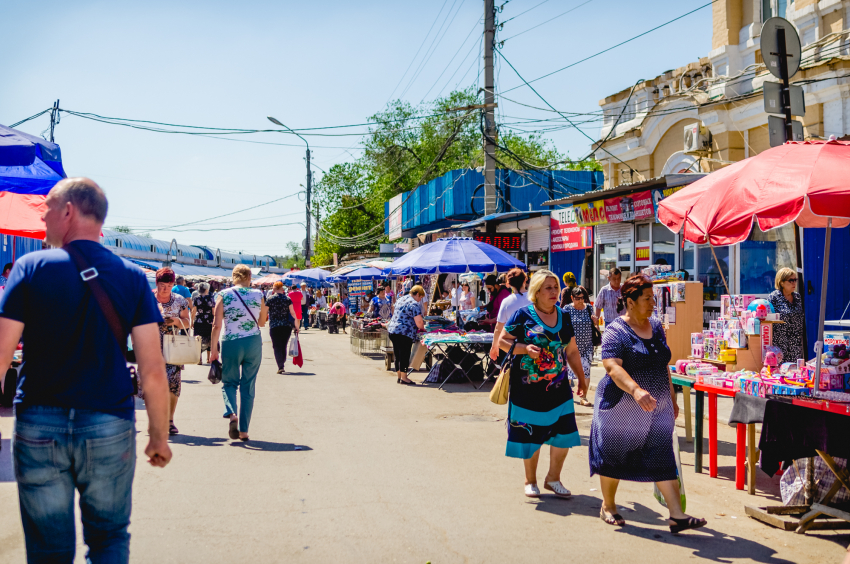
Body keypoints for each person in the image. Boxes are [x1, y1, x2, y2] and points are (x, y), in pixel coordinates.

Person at [0, 177, 171, 562]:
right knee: (109, 539)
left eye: (46, 210)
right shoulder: (131, 277)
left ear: (68, 211)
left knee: (48, 549)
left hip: (39, 423)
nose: (43, 218)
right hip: (109, 422)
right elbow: (153, 369)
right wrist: (159, 436)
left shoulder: (30, 268)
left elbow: (1, 353)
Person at [589, 274, 706, 533]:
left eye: (653, 298)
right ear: (630, 301)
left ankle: (677, 515)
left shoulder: (656, 325)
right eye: (647, 298)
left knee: (661, 455)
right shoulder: (616, 331)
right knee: (614, 456)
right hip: (620, 406)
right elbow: (611, 366)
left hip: (655, 406)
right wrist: (635, 390)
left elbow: (661, 363)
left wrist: (672, 398)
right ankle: (608, 506)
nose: (653, 303)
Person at [499, 270, 589, 498]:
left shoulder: (563, 316)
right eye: (548, 288)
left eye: (556, 288)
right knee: (530, 434)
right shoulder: (522, 315)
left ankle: (553, 478)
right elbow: (503, 341)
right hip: (527, 388)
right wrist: (524, 348)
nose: (554, 292)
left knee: (564, 434)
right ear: (536, 292)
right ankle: (530, 481)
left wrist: (581, 377)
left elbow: (572, 350)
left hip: (559, 388)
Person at [210, 264, 268, 441]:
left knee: (229, 382)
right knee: (248, 385)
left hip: (231, 342)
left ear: (233, 277)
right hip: (253, 342)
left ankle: (232, 413)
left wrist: (213, 350)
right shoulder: (259, 295)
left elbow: (216, 324)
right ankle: (243, 431)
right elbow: (262, 322)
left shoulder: (223, 295)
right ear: (249, 278)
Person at [152, 267, 190, 435]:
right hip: (151, 347)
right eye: (162, 284)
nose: (165, 288)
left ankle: (169, 420)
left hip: (173, 346)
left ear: (173, 284)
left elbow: (188, 323)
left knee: (173, 385)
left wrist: (175, 320)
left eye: (168, 285)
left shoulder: (180, 300)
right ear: (157, 283)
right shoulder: (148, 298)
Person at [563, 285, 597, 407]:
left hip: (587, 346)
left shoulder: (588, 308)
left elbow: (595, 327)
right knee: (568, 373)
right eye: (577, 298)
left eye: (582, 298)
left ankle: (583, 397)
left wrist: (596, 323)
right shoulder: (567, 309)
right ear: (572, 298)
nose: (580, 300)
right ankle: (567, 395)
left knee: (586, 371)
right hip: (571, 348)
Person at [386, 285, 426, 386]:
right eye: (420, 297)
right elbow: (419, 322)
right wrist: (423, 329)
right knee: (404, 355)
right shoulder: (414, 304)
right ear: (417, 294)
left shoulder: (401, 299)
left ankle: (399, 376)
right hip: (404, 333)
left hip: (393, 330)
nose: (420, 300)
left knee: (397, 355)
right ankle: (404, 378)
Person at [489, 268, 530, 362]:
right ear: (525, 280)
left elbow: (498, 328)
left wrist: (494, 346)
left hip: (514, 349)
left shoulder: (506, 302)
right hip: (535, 345)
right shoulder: (535, 299)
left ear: (508, 284)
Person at [768, 267, 805, 364]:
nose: (794, 283)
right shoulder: (774, 297)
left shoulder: (797, 297)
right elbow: (768, 318)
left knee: (794, 371)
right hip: (779, 341)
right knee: (778, 372)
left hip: (795, 341)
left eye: (795, 280)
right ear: (782, 282)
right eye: (791, 280)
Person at [267, 281, 299, 374]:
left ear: (274, 289)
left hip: (274, 326)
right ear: (282, 289)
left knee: (276, 346)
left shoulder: (270, 299)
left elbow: (264, 312)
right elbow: (293, 313)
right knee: (283, 345)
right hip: (286, 326)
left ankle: (280, 365)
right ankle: (282, 362)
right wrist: (296, 326)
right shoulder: (287, 299)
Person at [192, 282, 215, 365]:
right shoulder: (211, 298)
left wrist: (191, 321)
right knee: (209, 338)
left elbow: (193, 311)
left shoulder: (196, 298)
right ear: (207, 289)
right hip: (209, 321)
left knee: (198, 339)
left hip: (199, 321)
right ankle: (208, 359)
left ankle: (199, 359)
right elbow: (213, 311)